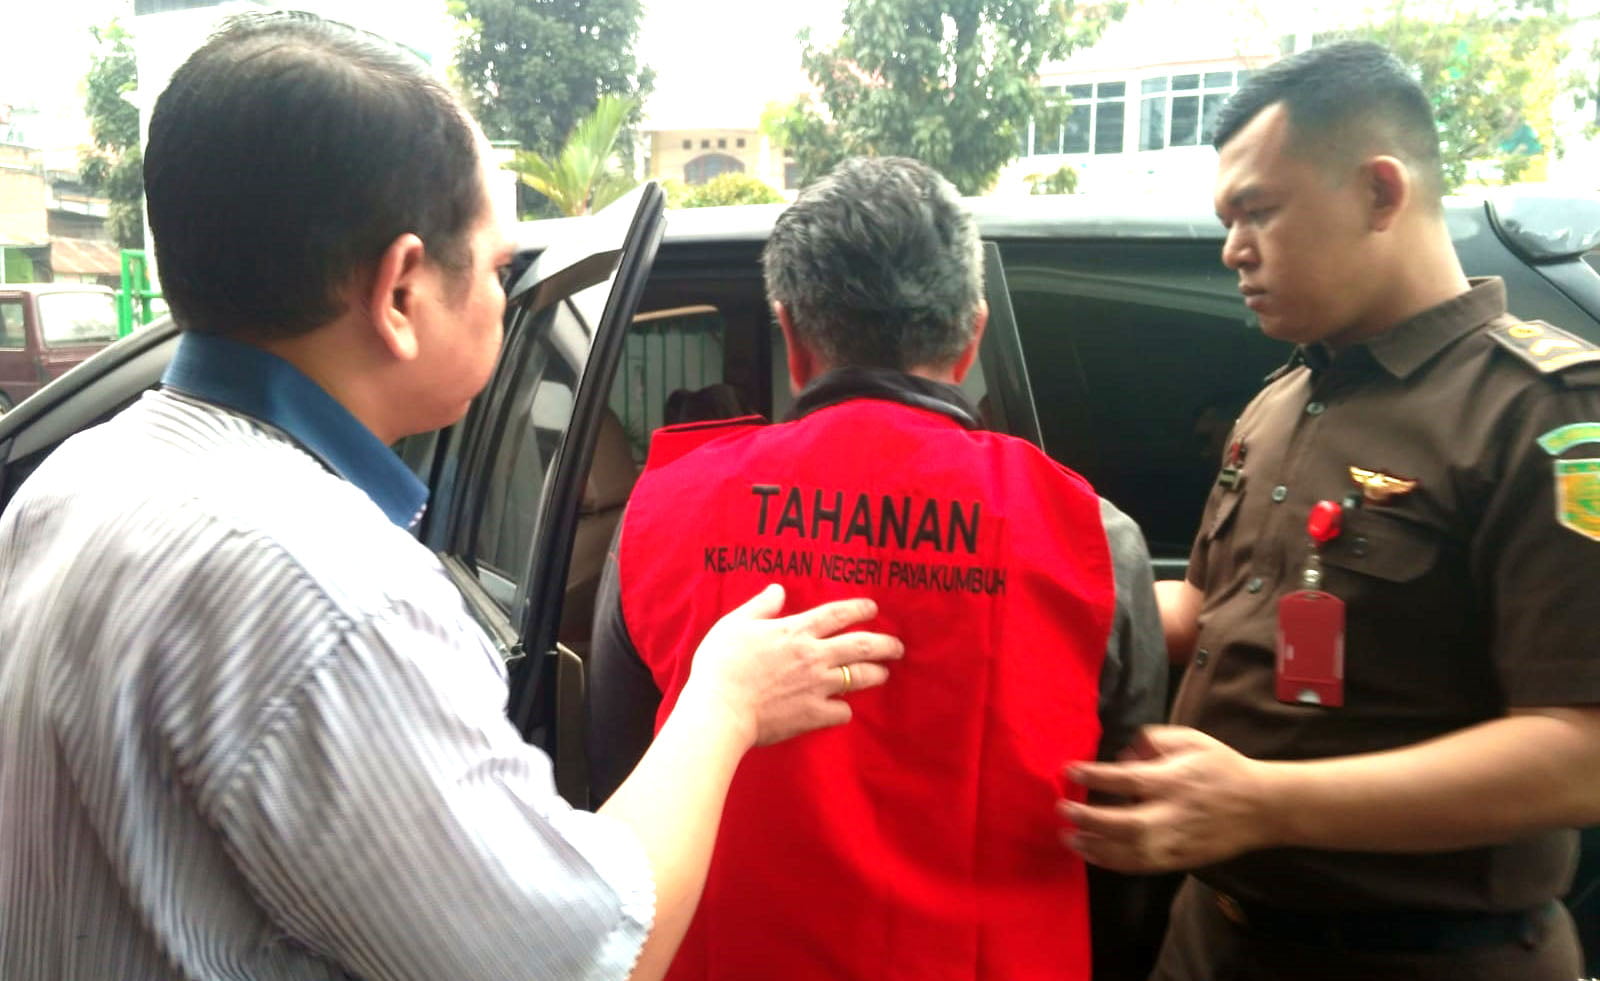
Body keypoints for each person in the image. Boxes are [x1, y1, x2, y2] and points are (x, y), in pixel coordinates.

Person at [0, 14, 903, 981]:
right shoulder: (331, 595)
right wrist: (723, 702)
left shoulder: (74, 482)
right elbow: (580, 962)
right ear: (402, 293)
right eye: (503, 269)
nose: (505, 300)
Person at [1063, 41, 1600, 980]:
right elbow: (1210, 607)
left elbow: (1582, 751)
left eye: (1258, 211)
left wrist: (1264, 802)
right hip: (1214, 936)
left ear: (1381, 193)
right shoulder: (1281, 402)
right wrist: (1026, 587)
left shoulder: (1547, 413)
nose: (1233, 249)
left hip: (1425, 956)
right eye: (1228, 220)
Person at [586, 156, 1167, 980]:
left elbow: (625, 799)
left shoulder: (660, 514)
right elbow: (1130, 839)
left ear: (791, 338)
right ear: (971, 338)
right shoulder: (1096, 540)